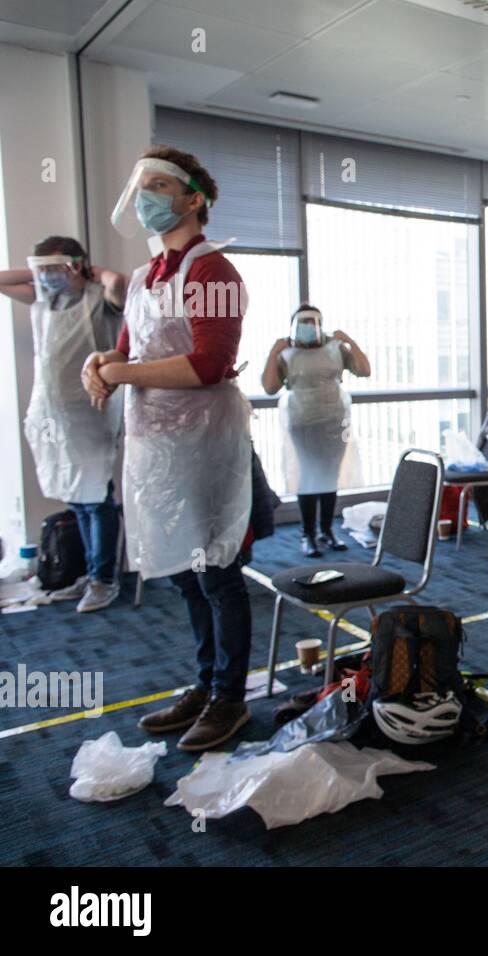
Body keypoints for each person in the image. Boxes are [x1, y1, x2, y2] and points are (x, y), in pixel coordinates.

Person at [82, 145, 255, 751]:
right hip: (156, 443)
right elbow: (127, 350)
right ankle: (205, 682)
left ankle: (229, 696)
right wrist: (100, 362)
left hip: (205, 443)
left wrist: (121, 375)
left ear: (194, 199)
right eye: (142, 186)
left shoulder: (213, 272)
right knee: (182, 569)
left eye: (160, 185)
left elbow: (210, 364)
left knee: (215, 571)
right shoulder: (144, 276)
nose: (146, 196)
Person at [0, 238, 127, 611]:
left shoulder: (97, 298)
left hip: (91, 412)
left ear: (76, 265)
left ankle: (105, 579)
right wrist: (40, 269)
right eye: (43, 270)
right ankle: (88, 574)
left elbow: (118, 282)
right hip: (53, 415)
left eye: (54, 268)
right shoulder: (44, 301)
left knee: (97, 499)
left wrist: (86, 270)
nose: (47, 277)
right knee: (77, 498)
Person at [261, 304, 370, 557]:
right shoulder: (287, 353)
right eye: (304, 322)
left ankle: (327, 531)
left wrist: (349, 341)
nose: (309, 327)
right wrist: (274, 351)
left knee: (329, 475)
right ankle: (307, 534)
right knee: (308, 475)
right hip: (302, 421)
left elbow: (364, 370)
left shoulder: (335, 349)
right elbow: (269, 387)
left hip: (334, 418)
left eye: (313, 322)